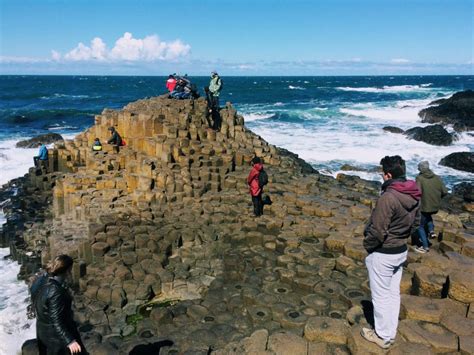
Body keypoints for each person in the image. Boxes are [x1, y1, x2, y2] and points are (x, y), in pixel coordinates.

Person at [361, 155, 421, 349]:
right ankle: (390, 331)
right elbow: (417, 223)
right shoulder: (414, 194)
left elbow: (378, 230)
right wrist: (402, 237)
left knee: (380, 296)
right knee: (393, 294)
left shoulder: (389, 197)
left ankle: (383, 336)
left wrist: (369, 246)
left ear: (388, 175)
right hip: (400, 251)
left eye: (382, 174)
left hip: (384, 253)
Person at [32, 254, 86, 354]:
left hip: (42, 331)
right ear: (68, 270)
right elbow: (57, 321)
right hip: (54, 338)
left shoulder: (42, 280)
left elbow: (36, 303)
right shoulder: (56, 291)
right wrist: (70, 341)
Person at [415, 161, 448, 253]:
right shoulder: (437, 177)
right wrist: (437, 198)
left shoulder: (420, 178)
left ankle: (425, 247)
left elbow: (417, 193)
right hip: (435, 206)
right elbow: (445, 191)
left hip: (424, 207)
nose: (418, 169)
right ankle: (431, 231)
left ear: (421, 169)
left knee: (420, 226)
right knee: (428, 216)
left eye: (419, 168)